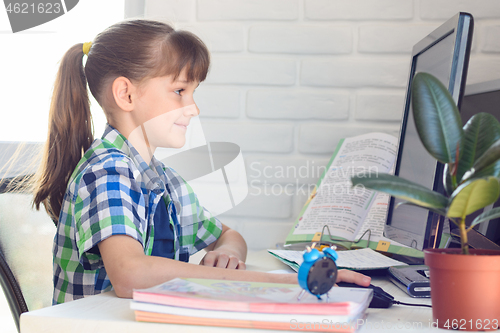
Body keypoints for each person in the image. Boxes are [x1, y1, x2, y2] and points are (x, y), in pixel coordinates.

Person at [30, 19, 370, 304]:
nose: (193, 108)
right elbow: (130, 275)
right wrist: (272, 280)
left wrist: (230, 255)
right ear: (126, 94)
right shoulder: (106, 171)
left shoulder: (164, 181)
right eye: (180, 91)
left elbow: (229, 234)